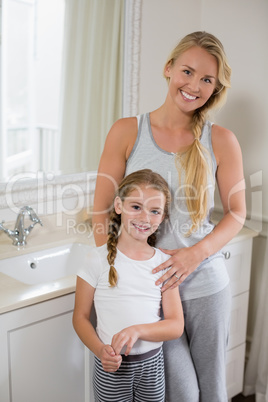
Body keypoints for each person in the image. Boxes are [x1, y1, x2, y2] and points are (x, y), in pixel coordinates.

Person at [92, 31, 246, 401]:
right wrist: (123, 273)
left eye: (207, 79)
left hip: (206, 285)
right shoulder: (128, 131)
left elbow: (238, 213)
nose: (194, 85)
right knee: (181, 392)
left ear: (215, 87)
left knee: (211, 389)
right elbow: (101, 211)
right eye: (187, 71)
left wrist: (195, 254)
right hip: (152, 293)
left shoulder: (221, 140)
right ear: (168, 68)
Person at [73, 169, 184, 402]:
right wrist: (99, 350)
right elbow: (80, 317)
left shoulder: (164, 264)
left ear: (162, 217)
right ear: (118, 205)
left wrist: (137, 330)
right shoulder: (96, 259)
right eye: (136, 207)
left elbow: (175, 326)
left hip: (152, 367)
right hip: (110, 367)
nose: (145, 218)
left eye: (154, 211)